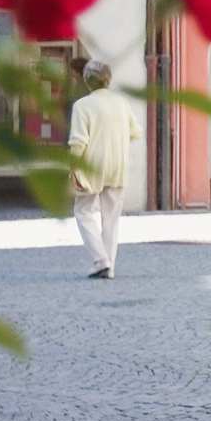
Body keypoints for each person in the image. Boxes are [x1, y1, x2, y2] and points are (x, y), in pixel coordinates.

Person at [68, 60, 142, 280]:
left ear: (86, 81)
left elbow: (78, 142)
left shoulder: (82, 105)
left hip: (91, 166)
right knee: (111, 217)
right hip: (117, 166)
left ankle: (101, 260)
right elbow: (136, 132)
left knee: (83, 211)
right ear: (108, 80)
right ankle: (109, 265)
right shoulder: (121, 103)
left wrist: (73, 168)